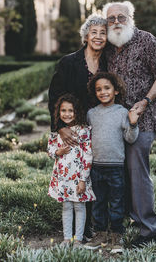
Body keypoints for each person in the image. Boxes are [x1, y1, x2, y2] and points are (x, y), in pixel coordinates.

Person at [102, 1, 156, 247]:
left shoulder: (146, 40)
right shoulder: (108, 46)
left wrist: (145, 101)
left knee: (137, 171)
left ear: (131, 18)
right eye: (111, 18)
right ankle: (132, 218)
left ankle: (151, 231)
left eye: (121, 16)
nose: (116, 21)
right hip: (115, 121)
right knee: (120, 174)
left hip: (143, 118)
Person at [48, 14, 107, 241]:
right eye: (94, 32)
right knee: (75, 174)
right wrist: (59, 127)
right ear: (86, 35)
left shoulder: (109, 62)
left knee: (95, 173)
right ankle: (75, 230)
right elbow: (54, 96)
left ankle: (95, 224)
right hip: (73, 129)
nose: (98, 37)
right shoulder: (68, 62)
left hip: (100, 127)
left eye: (103, 33)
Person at [84, 72, 139, 253]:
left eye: (107, 88)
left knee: (116, 203)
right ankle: (100, 234)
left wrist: (132, 124)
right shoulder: (91, 114)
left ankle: (116, 236)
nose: (103, 92)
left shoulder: (122, 112)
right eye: (98, 89)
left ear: (116, 90)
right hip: (96, 166)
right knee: (98, 202)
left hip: (116, 167)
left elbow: (130, 139)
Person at [47, 93, 96, 248]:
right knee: (67, 207)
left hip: (78, 178)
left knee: (79, 207)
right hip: (62, 177)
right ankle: (67, 238)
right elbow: (49, 148)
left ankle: (79, 239)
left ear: (77, 112)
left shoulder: (83, 131)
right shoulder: (57, 132)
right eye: (63, 110)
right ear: (58, 112)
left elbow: (88, 155)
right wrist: (56, 152)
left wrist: (83, 179)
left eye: (71, 111)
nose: (67, 114)